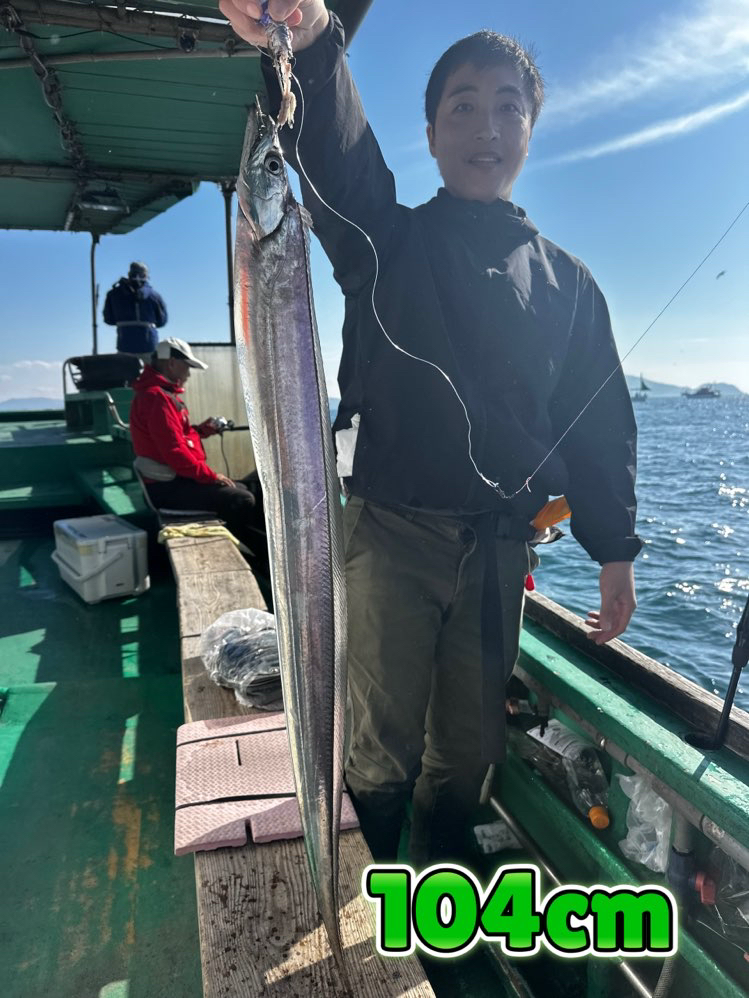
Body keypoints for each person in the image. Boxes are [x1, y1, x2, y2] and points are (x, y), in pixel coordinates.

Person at [220, 1, 641, 866]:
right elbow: (339, 155)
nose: (486, 127)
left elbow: (601, 426)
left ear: (530, 130)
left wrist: (614, 552)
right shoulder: (384, 239)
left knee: (471, 744)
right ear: (430, 133)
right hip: (389, 537)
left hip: (498, 552)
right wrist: (310, 38)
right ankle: (367, 873)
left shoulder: (571, 285)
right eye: (462, 106)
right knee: (377, 745)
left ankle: (439, 867)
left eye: (507, 108)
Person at [129, 337, 269, 579]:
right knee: (242, 500)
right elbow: (175, 452)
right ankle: (248, 557)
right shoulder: (157, 399)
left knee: (248, 487)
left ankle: (256, 550)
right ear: (172, 363)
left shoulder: (160, 396)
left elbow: (178, 437)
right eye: (187, 367)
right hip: (166, 489)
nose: (188, 374)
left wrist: (203, 430)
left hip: (176, 481)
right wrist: (211, 476)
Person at [104, 261, 168, 357]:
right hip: (149, 345)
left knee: (125, 367)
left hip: (124, 345)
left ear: (129, 274)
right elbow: (162, 321)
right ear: (145, 276)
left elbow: (108, 319)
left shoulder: (113, 294)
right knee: (150, 366)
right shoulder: (154, 296)